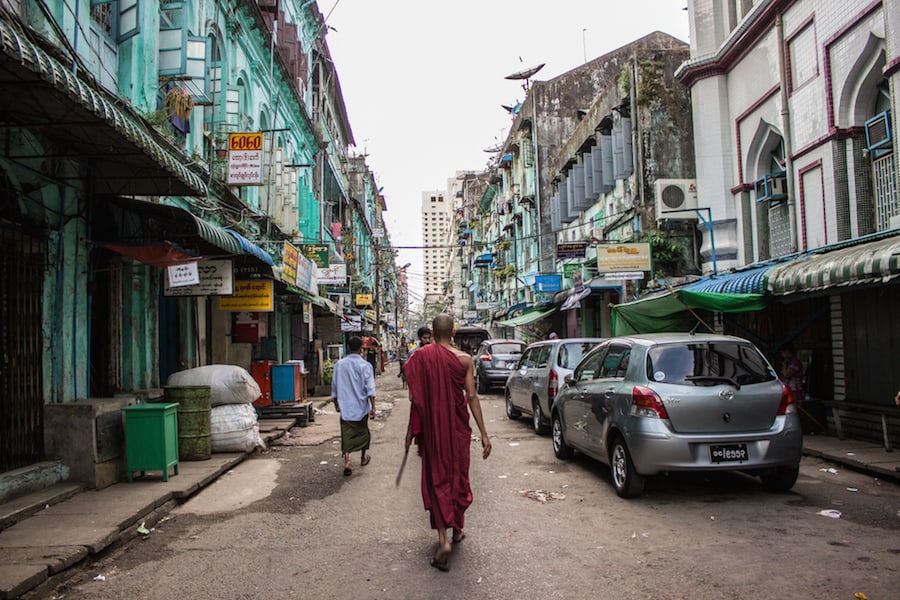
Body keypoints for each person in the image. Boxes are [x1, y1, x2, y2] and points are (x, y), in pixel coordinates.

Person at [402, 314, 492, 572]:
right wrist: (484, 433)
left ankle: (444, 539)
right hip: (457, 431)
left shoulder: (420, 357)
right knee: (457, 477)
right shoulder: (464, 360)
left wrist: (410, 431)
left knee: (436, 479)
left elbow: (415, 399)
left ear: (432, 331)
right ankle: (457, 530)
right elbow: (472, 397)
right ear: (453, 332)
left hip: (432, 431)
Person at [330, 336, 376, 477]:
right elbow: (370, 389)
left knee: (346, 435)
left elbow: (335, 387)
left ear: (348, 348)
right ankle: (362, 458)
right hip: (361, 407)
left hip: (346, 407)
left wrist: (336, 404)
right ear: (361, 348)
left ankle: (347, 462)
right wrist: (373, 407)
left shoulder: (339, 364)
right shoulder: (365, 365)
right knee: (362, 432)